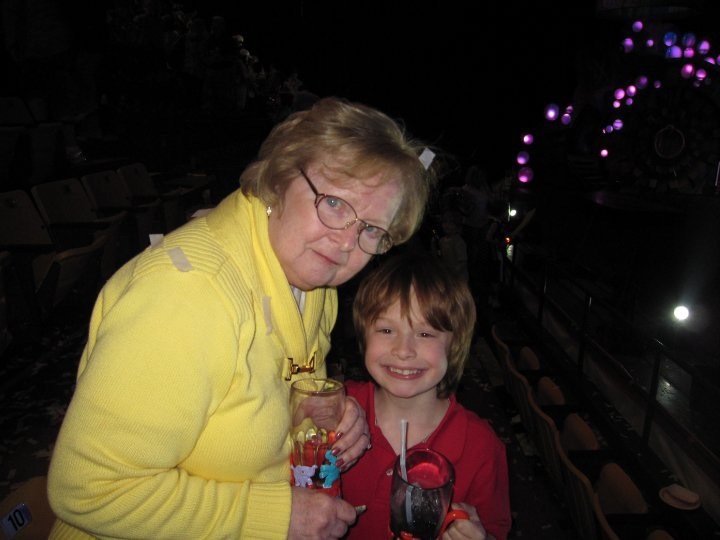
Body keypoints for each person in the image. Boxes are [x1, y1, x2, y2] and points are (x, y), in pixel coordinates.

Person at [47, 97, 437, 539]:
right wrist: (276, 518)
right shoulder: (188, 296)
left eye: (371, 229)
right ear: (281, 177)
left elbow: (262, 390)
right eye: (334, 203)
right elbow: (89, 489)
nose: (348, 243)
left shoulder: (313, 283)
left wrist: (325, 410)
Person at [342, 253, 511, 540]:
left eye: (425, 334)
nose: (403, 350)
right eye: (386, 330)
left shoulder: (481, 446)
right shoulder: (336, 410)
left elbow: (495, 529)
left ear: (454, 344)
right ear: (363, 336)